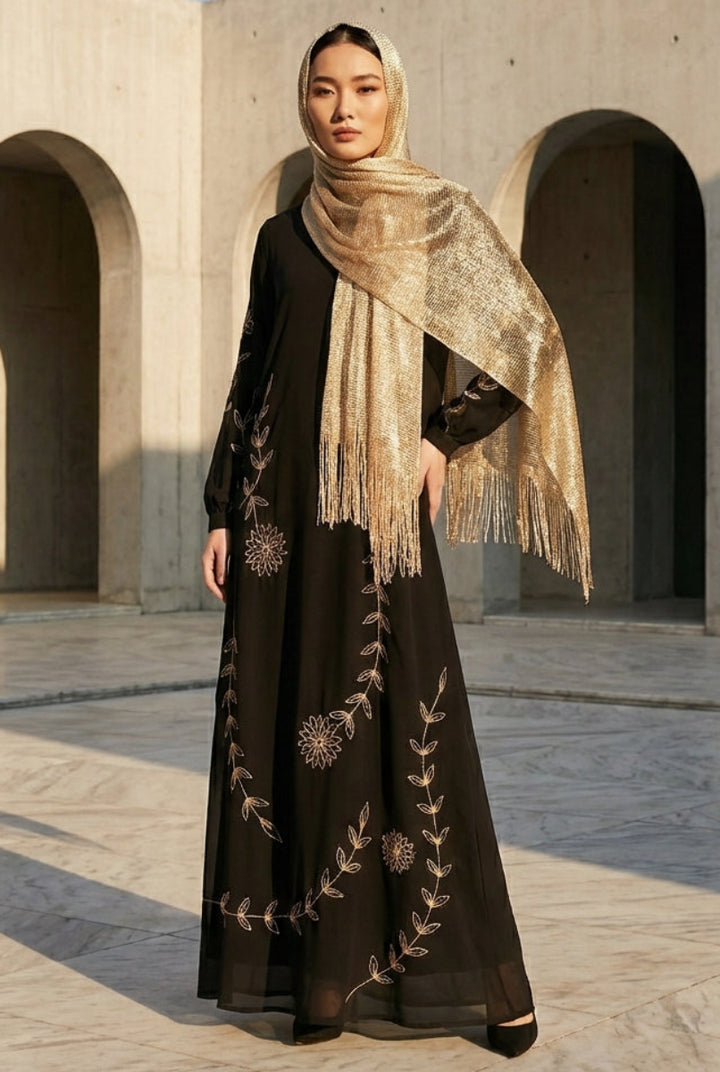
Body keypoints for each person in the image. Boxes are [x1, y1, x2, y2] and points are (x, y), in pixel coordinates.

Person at [198, 22, 591, 1058]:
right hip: (281, 519)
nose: (342, 108)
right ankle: (321, 983)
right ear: (304, 102)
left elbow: (526, 342)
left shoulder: (431, 217)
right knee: (294, 724)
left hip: (376, 514)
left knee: (413, 726)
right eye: (324, 89)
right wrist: (222, 509)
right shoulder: (286, 234)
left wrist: (437, 435)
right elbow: (254, 376)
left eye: (363, 88)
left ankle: (495, 982)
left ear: (392, 98)